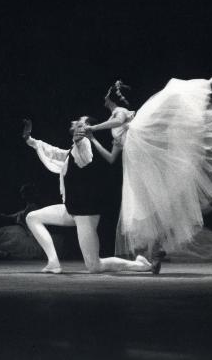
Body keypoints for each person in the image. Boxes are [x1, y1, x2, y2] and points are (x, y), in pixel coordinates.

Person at [85, 72, 212, 258]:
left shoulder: (120, 112)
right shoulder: (115, 128)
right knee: (148, 207)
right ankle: (155, 250)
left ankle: (204, 87)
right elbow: (111, 158)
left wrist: (93, 127)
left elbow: (117, 121)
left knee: (168, 100)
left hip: (142, 143)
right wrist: (93, 138)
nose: (103, 99)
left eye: (106, 96)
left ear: (111, 98)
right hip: (135, 162)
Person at [21, 117, 153, 274]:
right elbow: (55, 153)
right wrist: (30, 139)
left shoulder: (84, 144)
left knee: (94, 266)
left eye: (81, 123)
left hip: (85, 213)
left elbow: (86, 156)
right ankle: (53, 262)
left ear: (87, 129)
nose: (76, 124)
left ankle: (140, 265)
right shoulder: (73, 150)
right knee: (32, 217)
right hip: (72, 209)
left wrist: (79, 141)